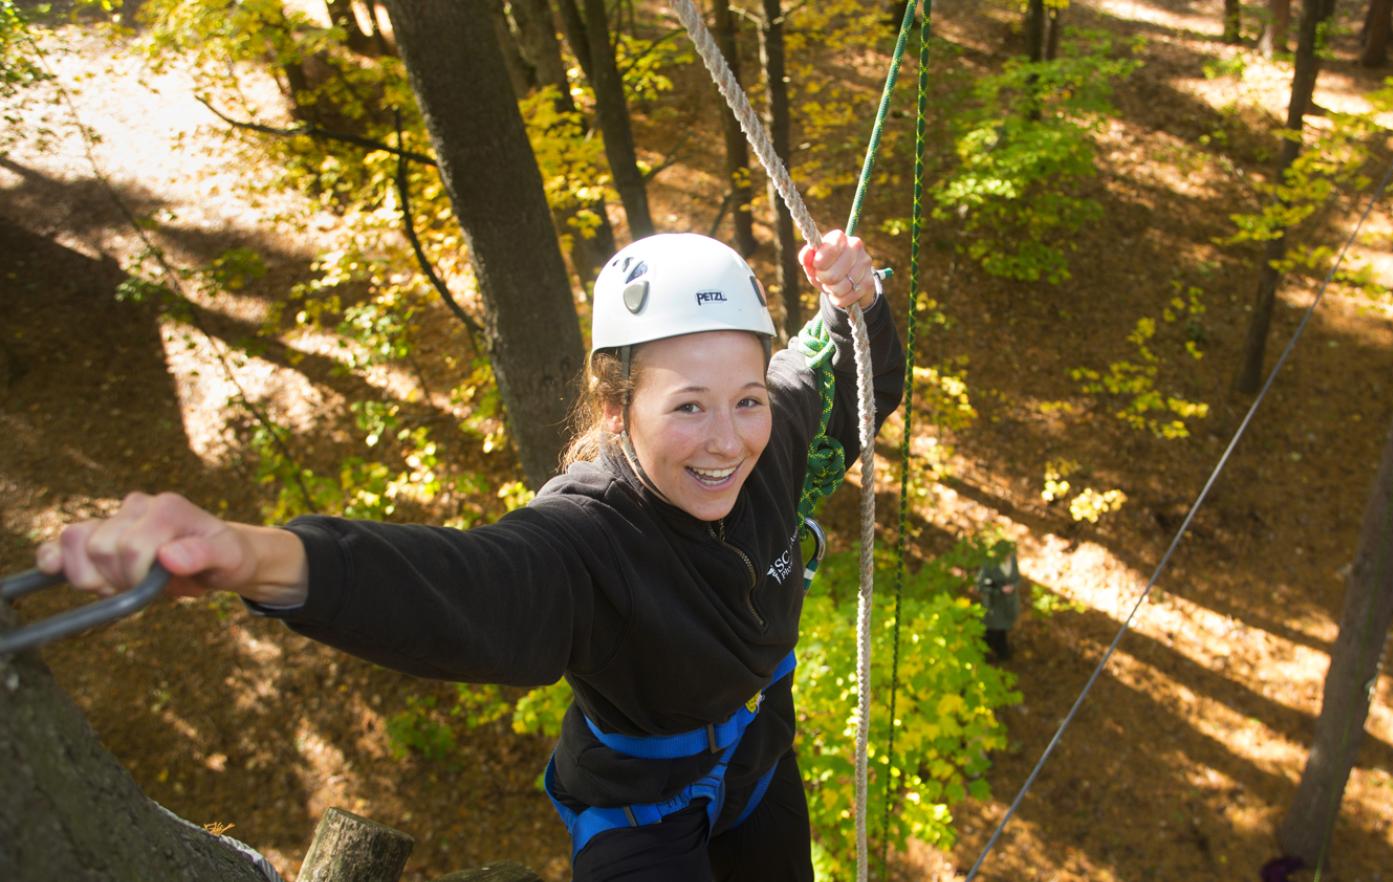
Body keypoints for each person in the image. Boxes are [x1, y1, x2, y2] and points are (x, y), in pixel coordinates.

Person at [32, 229, 904, 881]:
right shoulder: (589, 537)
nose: (727, 443)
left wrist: (854, 303)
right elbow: (469, 586)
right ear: (615, 409)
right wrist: (252, 558)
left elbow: (851, 376)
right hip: (644, 815)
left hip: (759, 765)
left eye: (745, 400)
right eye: (687, 407)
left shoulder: (777, 439)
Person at [975, 539, 1020, 661]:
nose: (1007, 557)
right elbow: (980, 585)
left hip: (1008, 605)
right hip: (994, 605)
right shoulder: (989, 565)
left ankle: (1002, 652)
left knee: (1002, 630)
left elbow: (1017, 579)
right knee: (991, 632)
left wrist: (1013, 587)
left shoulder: (1012, 561)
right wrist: (998, 590)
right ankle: (983, 655)